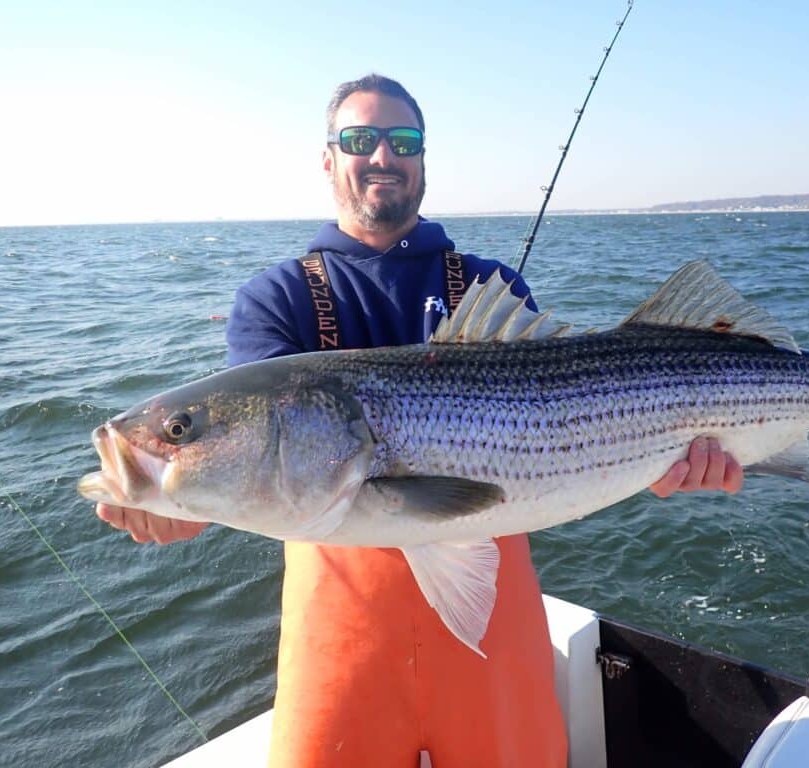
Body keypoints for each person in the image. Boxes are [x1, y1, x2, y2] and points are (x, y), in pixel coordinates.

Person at [96, 74, 743, 767]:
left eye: (403, 141)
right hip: (341, 634)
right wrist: (187, 502)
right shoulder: (276, 298)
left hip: (494, 618)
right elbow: (262, 466)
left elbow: (591, 426)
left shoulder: (490, 284)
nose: (382, 155)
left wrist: (658, 458)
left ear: (423, 161)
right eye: (359, 139)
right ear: (327, 160)